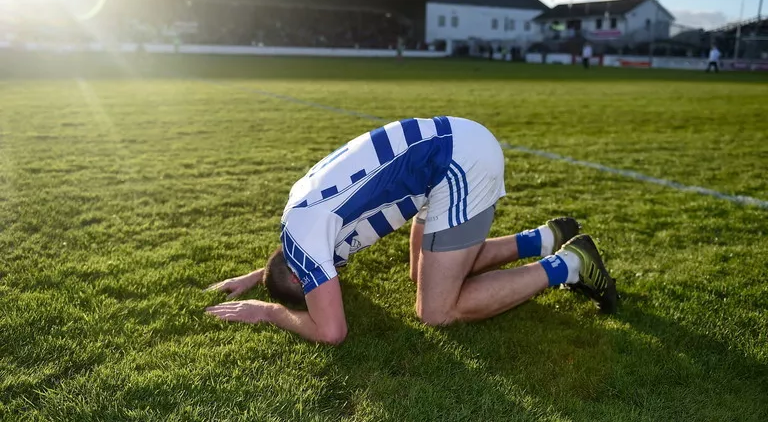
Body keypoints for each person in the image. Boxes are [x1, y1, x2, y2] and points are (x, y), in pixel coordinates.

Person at [205, 117, 617, 344]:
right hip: (444, 151)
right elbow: (299, 257)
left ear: (299, 273)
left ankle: (569, 264)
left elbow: (332, 332)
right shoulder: (297, 221)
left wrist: (269, 312)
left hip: (458, 165)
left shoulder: (310, 246)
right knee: (422, 277)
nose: (336, 281)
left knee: (435, 311)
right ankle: (544, 239)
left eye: (319, 284)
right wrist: (258, 275)